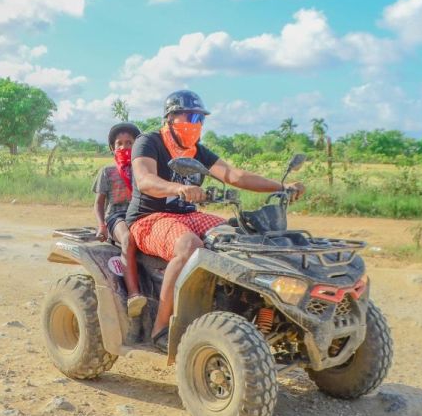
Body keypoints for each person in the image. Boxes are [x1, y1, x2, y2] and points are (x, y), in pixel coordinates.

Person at [125, 90, 305, 352]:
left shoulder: (196, 150)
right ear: (171, 118)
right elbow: (145, 180)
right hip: (148, 218)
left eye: (200, 119)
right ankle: (161, 328)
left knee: (238, 235)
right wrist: (178, 188)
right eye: (190, 117)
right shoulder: (149, 141)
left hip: (188, 215)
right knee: (189, 245)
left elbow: (233, 175)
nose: (195, 124)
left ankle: (239, 307)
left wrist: (281, 186)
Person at [93, 123, 146, 317]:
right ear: (112, 148)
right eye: (119, 143)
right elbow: (99, 204)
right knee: (128, 239)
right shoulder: (108, 172)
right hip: (117, 216)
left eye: (129, 143)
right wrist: (101, 225)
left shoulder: (144, 169)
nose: (124, 147)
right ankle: (133, 294)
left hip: (140, 214)